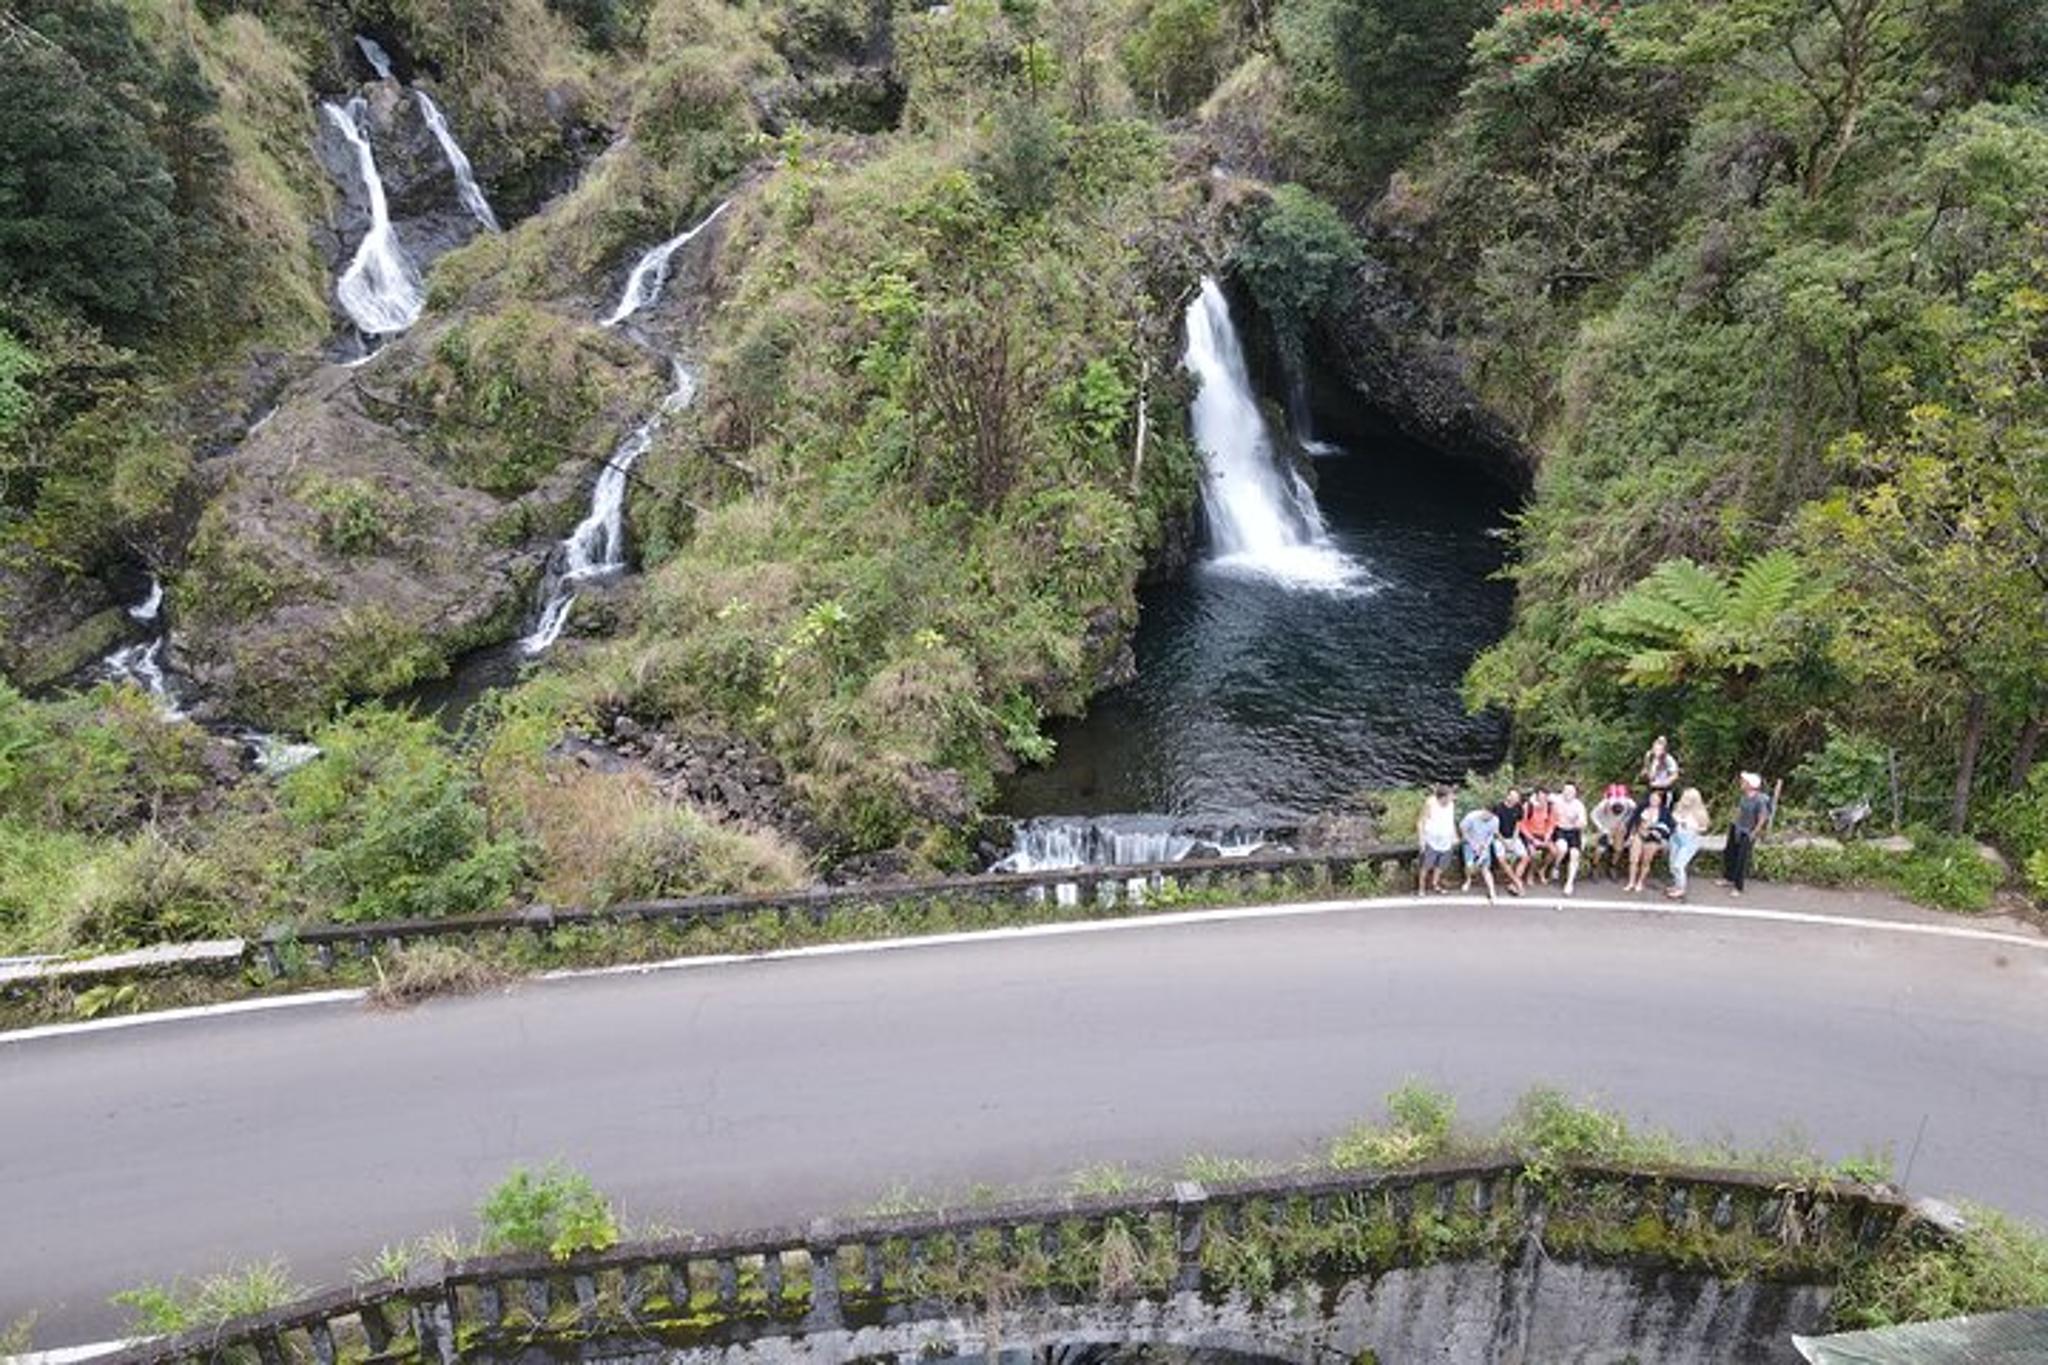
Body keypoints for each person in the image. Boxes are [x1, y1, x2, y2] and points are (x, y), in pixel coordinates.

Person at [1726, 771, 1773, 896]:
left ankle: (1738, 887)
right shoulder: (1744, 796)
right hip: (1737, 828)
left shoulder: (1760, 799)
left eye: (1744, 782)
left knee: (1742, 859)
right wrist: (1733, 821)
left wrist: (1754, 833)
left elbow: (1762, 817)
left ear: (1750, 785)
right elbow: (1739, 810)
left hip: (1748, 831)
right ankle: (1728, 878)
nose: (1741, 783)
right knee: (1730, 852)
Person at [1624, 787, 1672, 893]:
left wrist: (1660, 834)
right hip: (1639, 834)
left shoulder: (1665, 812)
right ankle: (1631, 882)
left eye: (1656, 799)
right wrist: (1629, 836)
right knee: (1633, 859)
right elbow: (1632, 821)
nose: (1653, 800)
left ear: (1660, 800)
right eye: (1651, 798)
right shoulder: (1642, 808)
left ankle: (1640, 882)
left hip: (1653, 838)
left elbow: (1670, 827)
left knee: (1646, 861)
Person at [1665, 787, 1710, 900]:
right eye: (1684, 798)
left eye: (1687, 799)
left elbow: (1704, 828)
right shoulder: (1678, 807)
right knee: (1672, 865)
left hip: (1689, 842)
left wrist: (1691, 826)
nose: (1684, 801)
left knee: (1678, 865)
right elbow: (1673, 818)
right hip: (1676, 838)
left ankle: (1681, 889)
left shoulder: (1700, 813)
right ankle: (1676, 885)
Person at [1417, 785, 1458, 894]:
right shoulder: (1430, 803)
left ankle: (1435, 884)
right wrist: (1421, 840)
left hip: (1446, 841)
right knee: (1426, 866)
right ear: (1442, 797)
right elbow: (1421, 822)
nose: (1452, 798)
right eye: (1449, 796)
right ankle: (1421, 888)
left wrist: (1455, 835)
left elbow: (1451, 821)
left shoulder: (1451, 805)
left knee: (1441, 866)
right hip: (1431, 841)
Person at [1590, 783, 1637, 879]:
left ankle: (1613, 866)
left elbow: (1635, 814)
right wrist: (1601, 827)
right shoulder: (1604, 804)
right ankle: (1594, 866)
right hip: (1605, 827)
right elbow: (1592, 815)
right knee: (1600, 849)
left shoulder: (1629, 804)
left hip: (1618, 828)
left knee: (1619, 849)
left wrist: (1626, 824)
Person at [1459, 802, 1502, 902]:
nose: (1488, 817)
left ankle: (1492, 892)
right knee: (1469, 866)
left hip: (1483, 845)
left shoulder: (1495, 820)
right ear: (1483, 809)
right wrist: (1474, 845)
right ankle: (1468, 880)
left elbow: (1491, 835)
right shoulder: (1471, 817)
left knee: (1485, 868)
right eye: (1487, 813)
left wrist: (1484, 847)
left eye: (1491, 816)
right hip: (1470, 843)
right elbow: (1463, 831)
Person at [1553, 781, 1589, 896]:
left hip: (1574, 831)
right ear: (1562, 791)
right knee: (1562, 848)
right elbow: (1537, 796)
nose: (1568, 793)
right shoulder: (1556, 799)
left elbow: (1584, 822)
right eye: (1566, 790)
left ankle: (1569, 883)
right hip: (1560, 830)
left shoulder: (1578, 805)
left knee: (1574, 854)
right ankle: (1556, 866)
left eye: (1571, 791)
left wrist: (1579, 823)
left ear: (1575, 793)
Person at [1492, 788, 1528, 895]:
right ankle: (1518, 883)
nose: (1514, 799)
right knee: (1501, 860)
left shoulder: (1519, 808)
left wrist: (1513, 841)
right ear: (1507, 796)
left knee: (1525, 858)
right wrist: (1504, 843)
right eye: (1512, 796)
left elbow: (1518, 826)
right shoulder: (1498, 808)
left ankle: (1513, 883)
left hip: (1513, 837)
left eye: (1516, 797)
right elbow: (1494, 829)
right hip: (1499, 838)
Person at [1517, 789, 1557, 885]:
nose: (1542, 799)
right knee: (1533, 854)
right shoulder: (1528, 806)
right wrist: (1532, 839)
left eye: (1544, 797)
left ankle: (1542, 870)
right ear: (1536, 796)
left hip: (1543, 834)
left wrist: (1547, 836)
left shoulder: (1550, 807)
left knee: (1554, 851)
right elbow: (1521, 825)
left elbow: (1552, 823)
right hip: (1530, 835)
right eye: (1540, 796)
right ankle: (1530, 874)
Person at [1641, 735, 1680, 802]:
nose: (1657, 751)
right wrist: (1645, 774)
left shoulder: (1669, 759)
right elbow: (1647, 774)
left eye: (1659, 749)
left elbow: (1675, 775)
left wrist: (1665, 783)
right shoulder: (1650, 758)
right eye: (1655, 748)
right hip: (1652, 788)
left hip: (1664, 789)